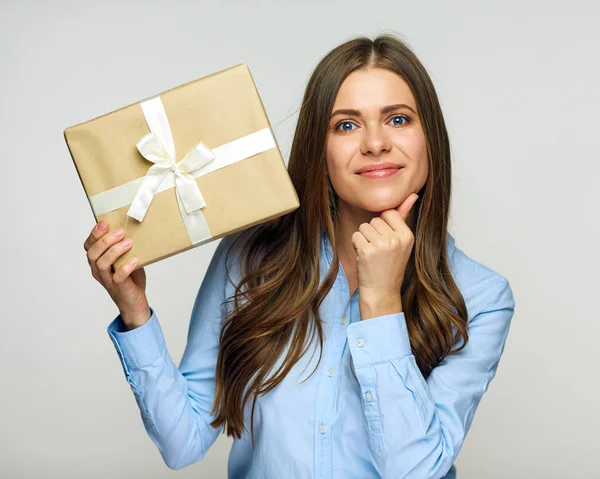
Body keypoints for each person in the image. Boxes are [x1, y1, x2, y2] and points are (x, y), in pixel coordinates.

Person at [83, 34, 515, 479]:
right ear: (318, 148)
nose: (375, 143)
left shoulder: (481, 297)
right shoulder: (248, 258)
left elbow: (415, 471)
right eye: (346, 125)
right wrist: (135, 313)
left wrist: (382, 301)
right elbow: (183, 442)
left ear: (431, 138)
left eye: (398, 119)